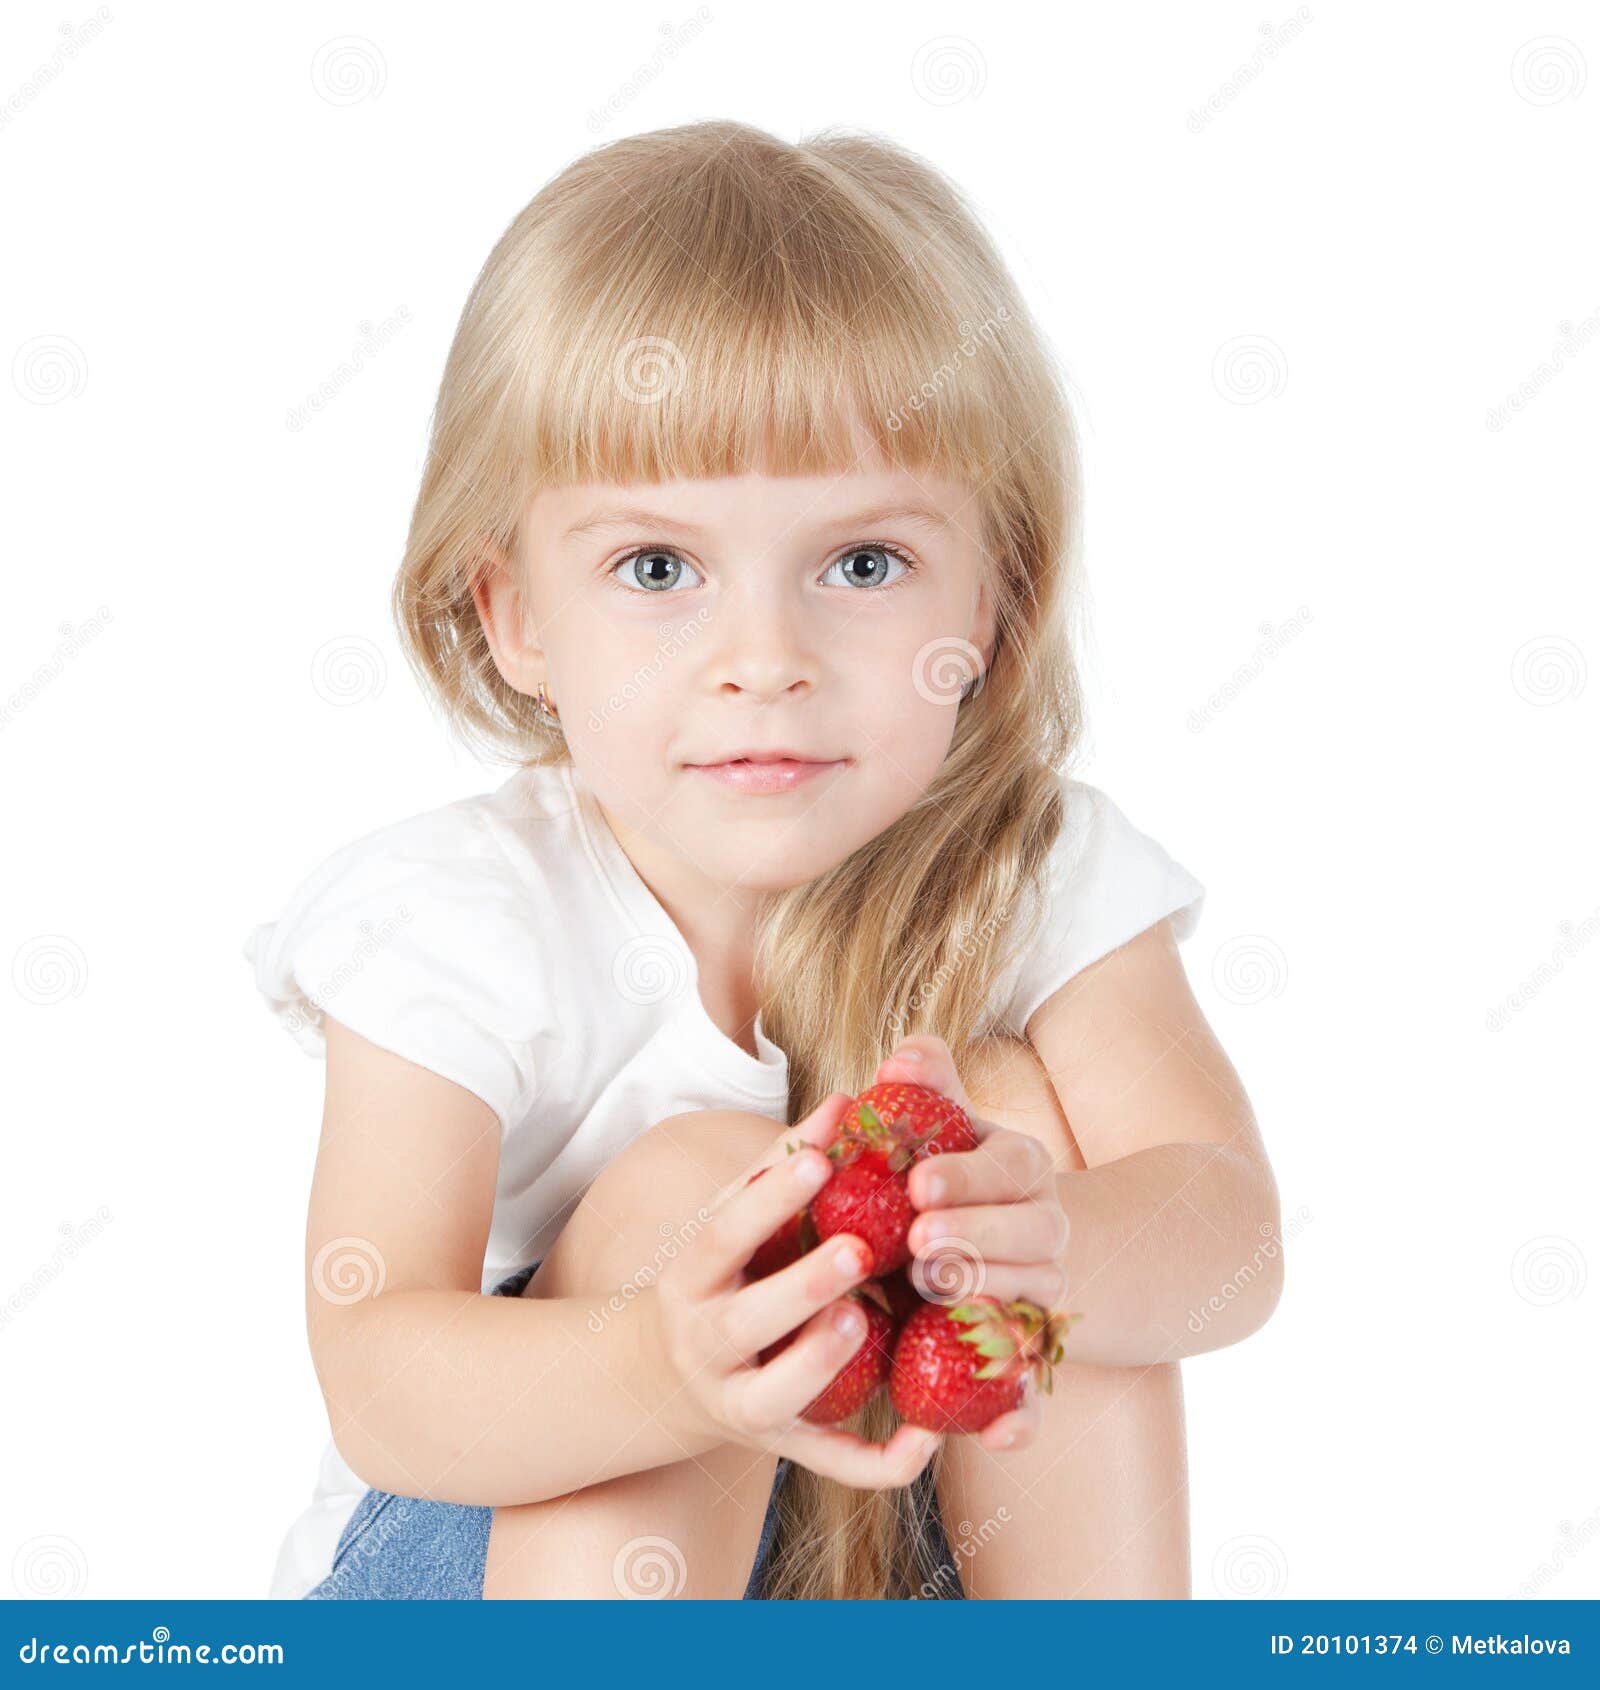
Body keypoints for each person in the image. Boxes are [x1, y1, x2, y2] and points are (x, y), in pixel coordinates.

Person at [244, 119, 1281, 1601]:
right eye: (658, 569)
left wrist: (1053, 1237)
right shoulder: (462, 915)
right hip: (504, 1570)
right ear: (514, 615)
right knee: (701, 1183)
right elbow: (378, 1375)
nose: (766, 661)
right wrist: (663, 1363)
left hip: (892, 1571)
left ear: (993, 599)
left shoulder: (1033, 868)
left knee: (1011, 1148)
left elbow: (1233, 1240)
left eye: (862, 566)